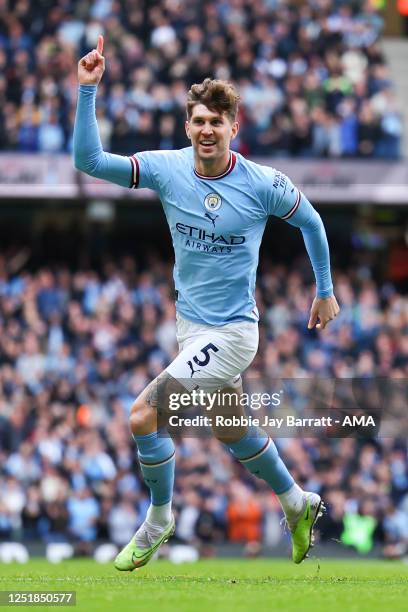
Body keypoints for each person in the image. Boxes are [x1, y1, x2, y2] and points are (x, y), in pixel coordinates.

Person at [73, 36, 340, 571]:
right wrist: (86, 90)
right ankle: (297, 501)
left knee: (145, 413)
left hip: (235, 332)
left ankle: (159, 518)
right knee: (229, 425)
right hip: (190, 326)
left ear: (233, 128)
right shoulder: (166, 168)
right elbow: (89, 161)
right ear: (188, 126)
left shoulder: (264, 183)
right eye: (198, 121)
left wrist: (325, 289)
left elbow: (311, 221)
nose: (206, 130)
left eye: (217, 121)